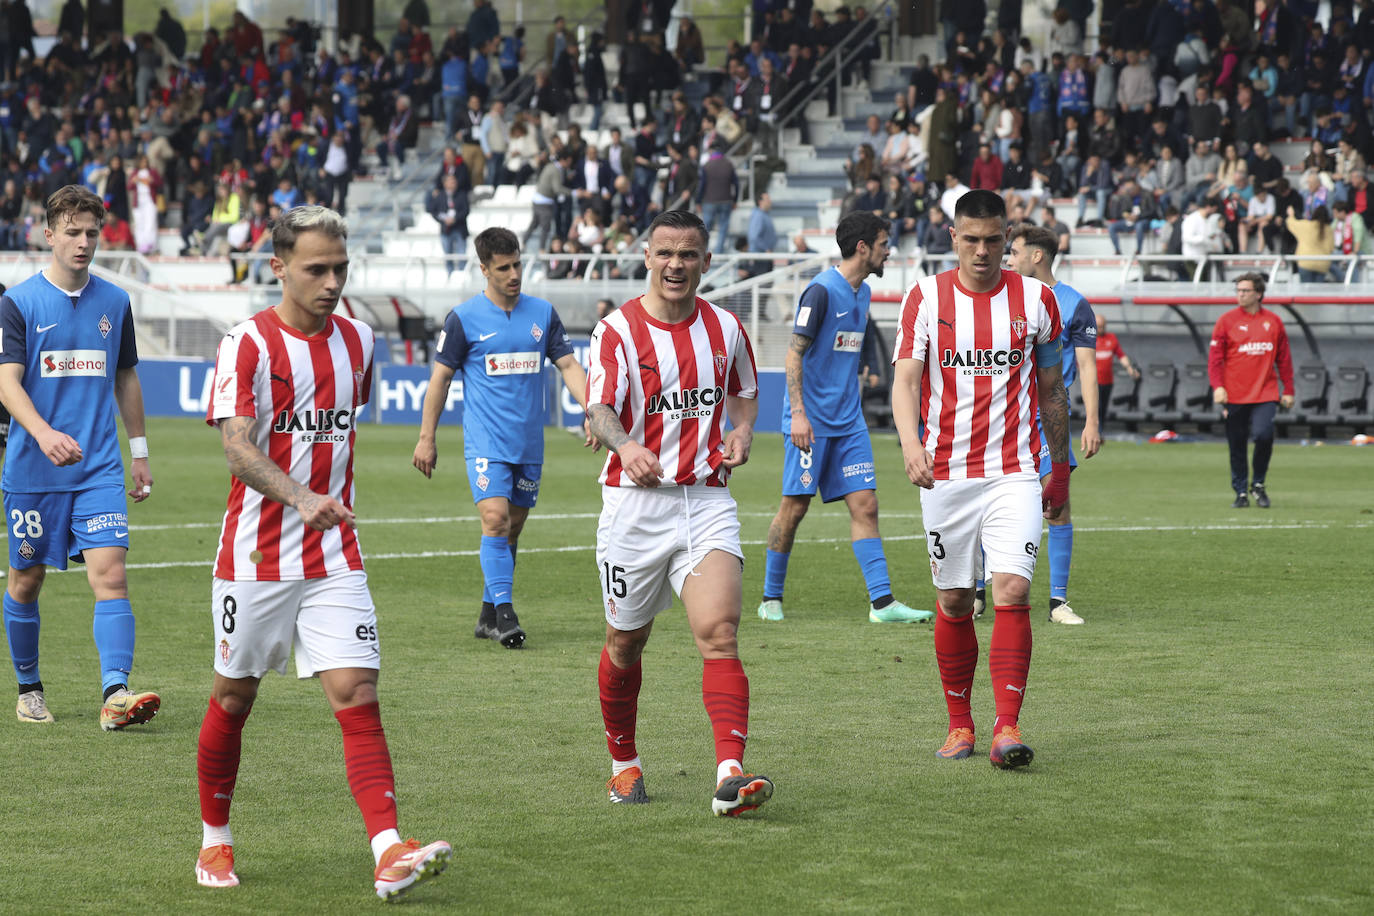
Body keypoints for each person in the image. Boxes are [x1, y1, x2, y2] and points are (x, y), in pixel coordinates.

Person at [194, 206, 451, 899]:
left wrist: (320, 508)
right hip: (254, 558)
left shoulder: (360, 342)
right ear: (278, 267)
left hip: (335, 554)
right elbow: (237, 445)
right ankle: (215, 842)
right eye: (317, 269)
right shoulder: (246, 343)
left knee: (357, 692)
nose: (333, 282)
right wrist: (301, 496)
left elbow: (341, 426)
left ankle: (389, 850)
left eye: (341, 268)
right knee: (233, 697)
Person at [585, 208, 773, 816]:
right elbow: (601, 409)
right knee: (625, 641)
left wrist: (742, 434)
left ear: (705, 262)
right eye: (665, 253)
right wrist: (627, 444)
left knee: (720, 634)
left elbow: (745, 393)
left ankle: (729, 772)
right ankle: (623, 763)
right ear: (647, 257)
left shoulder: (725, 327)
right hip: (634, 507)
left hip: (707, 499)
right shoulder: (615, 332)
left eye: (688, 254)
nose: (675, 265)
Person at [891, 189, 1070, 768]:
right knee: (953, 599)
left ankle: (1006, 727)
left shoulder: (1038, 300)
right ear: (953, 238)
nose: (984, 251)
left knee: (1012, 590)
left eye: (995, 240)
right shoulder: (925, 297)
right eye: (971, 240)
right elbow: (905, 381)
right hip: (945, 475)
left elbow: (1052, 391)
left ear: (1008, 239)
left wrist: (1059, 469)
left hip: (1014, 472)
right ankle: (959, 724)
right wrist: (911, 444)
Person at [0, 185, 158, 729]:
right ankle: (29, 688)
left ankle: (116, 693)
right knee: (26, 580)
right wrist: (43, 434)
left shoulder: (116, 302)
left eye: (92, 232)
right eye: (72, 232)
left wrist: (138, 451)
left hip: (98, 469)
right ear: (48, 235)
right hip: (32, 469)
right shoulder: (18, 303)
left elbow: (126, 375)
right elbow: (6, 383)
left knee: (111, 578)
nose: (84, 242)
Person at [412, 228, 592, 648]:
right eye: (504, 268)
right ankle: (507, 614)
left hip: (528, 443)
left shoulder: (542, 313)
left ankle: (487, 613)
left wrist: (591, 410)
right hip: (485, 442)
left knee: (512, 528)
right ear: (484, 269)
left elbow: (568, 366)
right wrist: (427, 437)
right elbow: (439, 378)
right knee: (494, 519)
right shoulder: (463, 318)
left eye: (517, 265)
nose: (514, 274)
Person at [758, 211, 932, 625]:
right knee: (794, 508)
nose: (889, 251)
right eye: (884, 243)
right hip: (810, 425)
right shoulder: (820, 293)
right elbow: (793, 354)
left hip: (849, 422)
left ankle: (883, 603)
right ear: (863, 247)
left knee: (866, 505)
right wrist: (798, 414)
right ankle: (770, 599)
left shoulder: (863, 294)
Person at [1006, 223, 1101, 625]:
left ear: (1037, 256)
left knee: (1056, 506)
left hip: (1049, 421)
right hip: (1007, 418)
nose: (1008, 258)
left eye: (1014, 251)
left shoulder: (1073, 303)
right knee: (985, 503)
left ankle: (1057, 602)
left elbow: (1087, 366)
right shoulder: (1005, 296)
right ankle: (977, 593)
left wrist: (1092, 421)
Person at [1208, 273, 1294, 509]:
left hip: (1266, 392)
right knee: (1237, 443)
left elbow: (1284, 359)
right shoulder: (1226, 321)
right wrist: (1218, 387)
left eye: (1245, 291)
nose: (1240, 295)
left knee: (1264, 435)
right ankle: (1240, 492)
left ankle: (1258, 484)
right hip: (1234, 394)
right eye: (1238, 290)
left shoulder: (1274, 322)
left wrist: (1289, 389)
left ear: (1258, 293)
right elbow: (1215, 359)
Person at [1094, 315, 1140, 428]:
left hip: (1107, 381)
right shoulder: (1089, 339)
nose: (1101, 329)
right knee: (1095, 407)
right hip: (1093, 381)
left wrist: (1129, 368)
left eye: (1102, 326)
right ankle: (1094, 430)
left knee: (1103, 407)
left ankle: (1100, 431)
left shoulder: (1111, 338)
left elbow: (1121, 355)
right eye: (1098, 327)